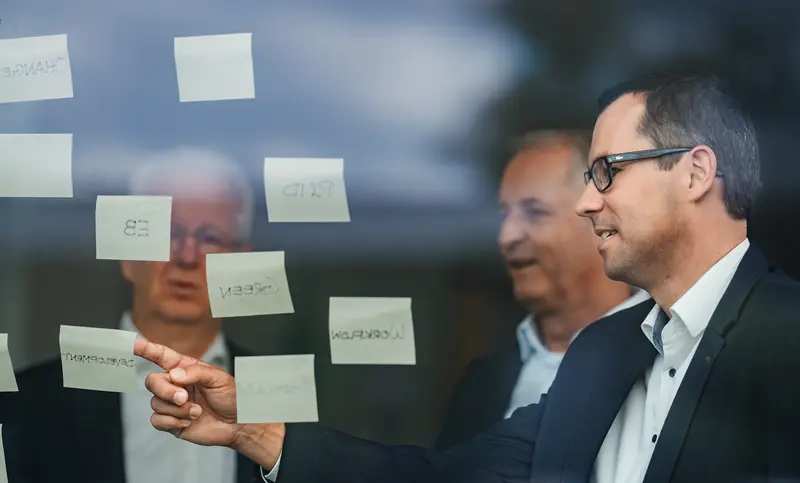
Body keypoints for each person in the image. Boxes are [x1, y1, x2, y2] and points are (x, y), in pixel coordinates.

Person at [136, 74, 800, 483]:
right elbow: (450, 476)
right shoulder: (605, 352)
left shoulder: (787, 339)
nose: (585, 202)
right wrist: (256, 432)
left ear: (694, 173)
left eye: (607, 172)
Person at [4, 148, 260, 483]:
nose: (187, 256)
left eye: (211, 238)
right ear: (127, 255)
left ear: (241, 262)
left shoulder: (277, 396)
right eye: (166, 233)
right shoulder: (33, 400)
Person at [436, 131, 650, 449]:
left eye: (534, 212)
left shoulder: (674, 355)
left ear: (602, 221)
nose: (507, 237)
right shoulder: (483, 383)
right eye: (504, 215)